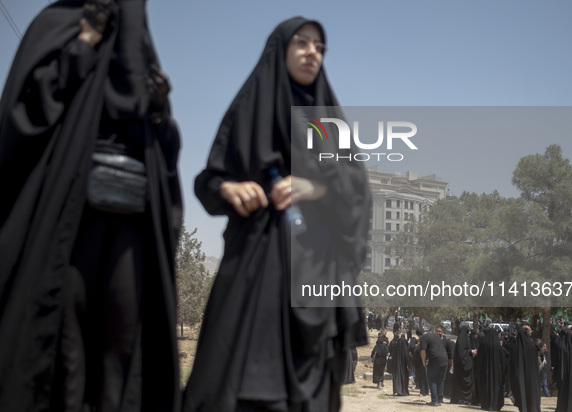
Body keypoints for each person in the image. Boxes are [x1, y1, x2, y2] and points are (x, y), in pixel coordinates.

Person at [0, 1, 182, 410]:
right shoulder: (60, 25)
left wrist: (158, 111)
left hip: (132, 224)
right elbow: (23, 116)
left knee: (122, 343)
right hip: (67, 219)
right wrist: (84, 45)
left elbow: (165, 153)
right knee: (63, 341)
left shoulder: (142, 54)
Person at [182, 17, 371, 412]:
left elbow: (358, 190)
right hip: (258, 262)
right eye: (302, 43)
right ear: (279, 49)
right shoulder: (249, 109)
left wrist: (314, 187)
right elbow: (208, 180)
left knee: (314, 386)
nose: (311, 53)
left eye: (320, 48)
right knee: (242, 377)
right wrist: (230, 188)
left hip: (318, 269)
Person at [510, 324, 541, 412]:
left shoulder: (515, 347)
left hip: (520, 377)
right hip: (531, 377)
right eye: (530, 330)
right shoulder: (531, 347)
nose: (531, 332)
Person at [474, 327, 506, 411]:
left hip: (484, 372)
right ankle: (495, 405)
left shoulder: (483, 344)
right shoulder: (497, 345)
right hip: (496, 372)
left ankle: (485, 404)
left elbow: (478, 358)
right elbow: (503, 360)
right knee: (495, 387)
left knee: (485, 386)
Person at [420, 327, 449, 406]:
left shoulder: (423, 338)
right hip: (444, 359)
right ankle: (440, 399)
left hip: (435, 359)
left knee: (432, 380)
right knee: (440, 380)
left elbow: (423, 351)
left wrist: (423, 362)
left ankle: (434, 401)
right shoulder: (437, 336)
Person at [450, 325, 476, 405]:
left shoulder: (466, 340)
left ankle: (466, 399)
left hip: (466, 365)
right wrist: (470, 352)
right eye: (468, 331)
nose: (470, 332)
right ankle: (461, 398)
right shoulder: (461, 341)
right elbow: (462, 353)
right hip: (461, 366)